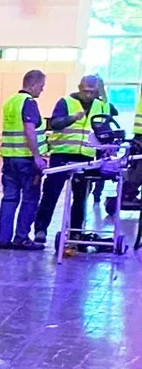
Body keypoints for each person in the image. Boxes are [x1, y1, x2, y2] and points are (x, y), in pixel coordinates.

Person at [32, 73, 112, 246]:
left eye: (92, 91)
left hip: (86, 157)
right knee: (51, 194)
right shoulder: (65, 102)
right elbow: (55, 124)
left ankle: (75, 233)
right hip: (62, 154)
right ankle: (40, 230)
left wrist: (105, 153)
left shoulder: (102, 106)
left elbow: (105, 131)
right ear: (79, 88)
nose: (89, 95)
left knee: (81, 197)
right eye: (86, 91)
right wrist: (72, 118)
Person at [0, 69, 47, 250]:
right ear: (32, 85)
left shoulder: (11, 101)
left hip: (9, 158)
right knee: (30, 199)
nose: (41, 91)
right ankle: (21, 238)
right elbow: (29, 130)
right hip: (25, 160)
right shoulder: (29, 102)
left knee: (9, 199)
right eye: (41, 87)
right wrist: (37, 156)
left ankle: (3, 238)